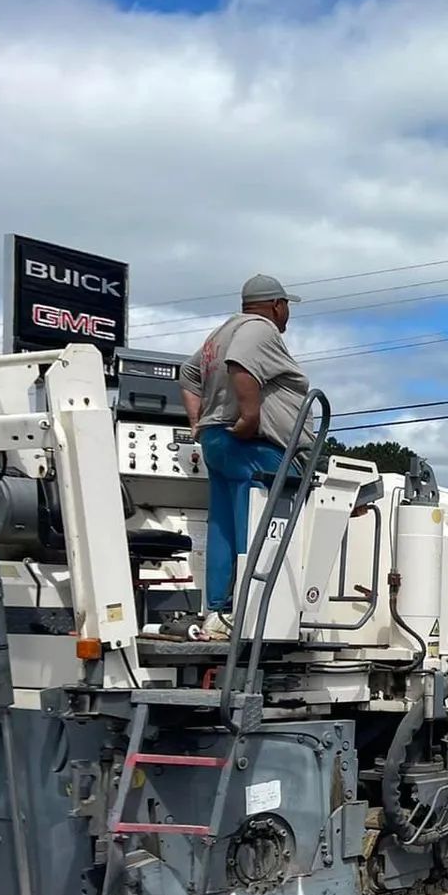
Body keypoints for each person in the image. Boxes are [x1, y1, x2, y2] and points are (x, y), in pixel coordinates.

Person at [178, 274, 310, 640]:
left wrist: (197, 423)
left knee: (223, 523)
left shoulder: (219, 334)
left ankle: (218, 612)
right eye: (286, 308)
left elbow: (188, 375)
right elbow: (241, 363)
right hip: (253, 444)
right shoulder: (259, 330)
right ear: (276, 305)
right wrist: (250, 416)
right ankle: (251, 613)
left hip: (219, 441)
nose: (287, 316)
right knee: (256, 526)